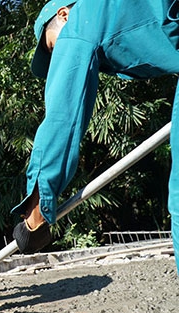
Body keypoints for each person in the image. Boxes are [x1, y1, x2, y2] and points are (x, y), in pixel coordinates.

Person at [11, 0, 179, 262]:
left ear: (63, 14)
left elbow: (63, 119)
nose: (58, 58)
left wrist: (35, 213)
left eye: (53, 47)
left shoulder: (79, 21)